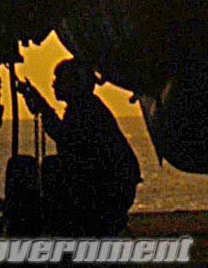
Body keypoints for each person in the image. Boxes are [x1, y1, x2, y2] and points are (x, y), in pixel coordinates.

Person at [17, 59, 140, 236]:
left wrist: (42, 106)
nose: (54, 85)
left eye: (59, 80)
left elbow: (64, 138)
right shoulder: (88, 107)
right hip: (111, 190)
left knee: (52, 168)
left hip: (106, 193)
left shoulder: (86, 110)